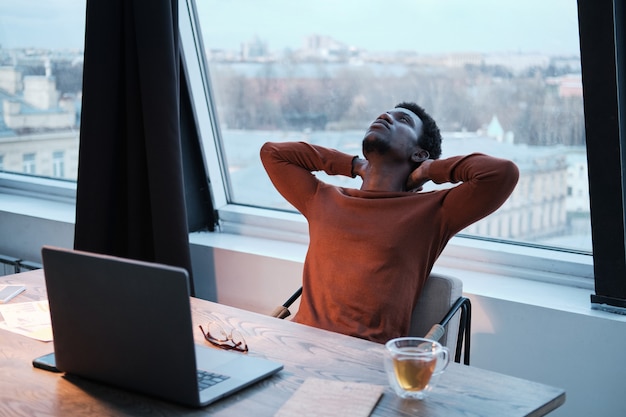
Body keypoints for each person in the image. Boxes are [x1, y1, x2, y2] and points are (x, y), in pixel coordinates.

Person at [260, 102, 519, 344]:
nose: (385, 116)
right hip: (297, 344)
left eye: (402, 120)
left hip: (366, 361)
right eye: (384, 115)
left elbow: (501, 173)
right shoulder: (322, 198)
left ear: (419, 153)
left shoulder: (433, 211)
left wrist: (429, 170)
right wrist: (353, 164)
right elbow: (272, 153)